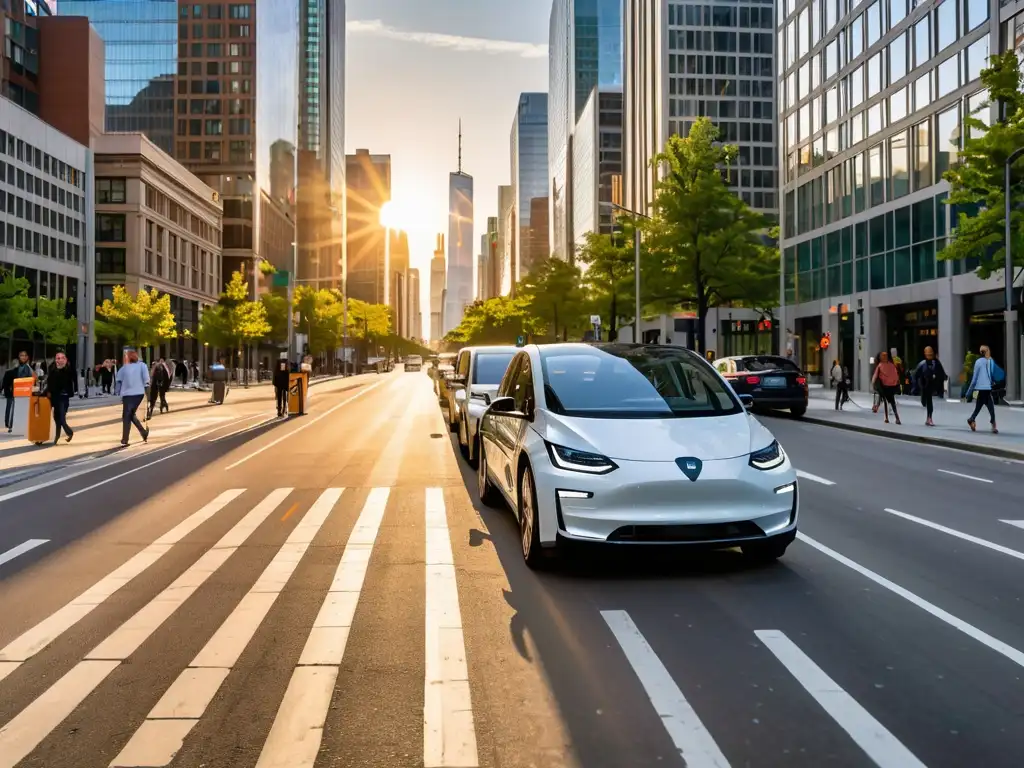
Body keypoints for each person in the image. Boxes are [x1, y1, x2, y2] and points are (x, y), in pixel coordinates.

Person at [116, 350, 150, 446]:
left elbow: (118, 380)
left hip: (127, 395)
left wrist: (117, 392)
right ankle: (143, 432)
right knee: (130, 414)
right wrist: (148, 392)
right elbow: (146, 380)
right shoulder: (142, 366)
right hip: (139, 393)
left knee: (126, 415)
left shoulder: (124, 368)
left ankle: (125, 439)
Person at [44, 350, 78, 444]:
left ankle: (69, 432)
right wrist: (46, 392)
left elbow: (73, 378)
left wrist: (64, 367)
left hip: (64, 397)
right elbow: (50, 382)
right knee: (56, 418)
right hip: (55, 396)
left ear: (65, 359)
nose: (60, 360)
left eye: (62, 358)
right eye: (58, 358)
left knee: (62, 418)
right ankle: (57, 437)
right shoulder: (52, 368)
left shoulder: (68, 369)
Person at [965, 345, 999, 434]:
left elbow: (974, 379)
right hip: (986, 389)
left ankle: (972, 419)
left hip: (980, 389)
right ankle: (993, 425)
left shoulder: (978, 362)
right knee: (989, 407)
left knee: (980, 406)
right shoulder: (990, 361)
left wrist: (969, 392)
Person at [913, 347, 947, 427]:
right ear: (925, 354)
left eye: (931, 353)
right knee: (924, 401)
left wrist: (940, 387)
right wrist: (915, 387)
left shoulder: (936, 363)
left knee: (929, 401)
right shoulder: (922, 364)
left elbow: (942, 374)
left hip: (931, 385)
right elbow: (915, 375)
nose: (930, 355)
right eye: (928, 353)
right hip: (924, 385)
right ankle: (928, 416)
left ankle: (929, 418)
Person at [871, 351, 902, 425]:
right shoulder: (882, 365)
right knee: (889, 401)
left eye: (885, 355)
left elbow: (875, 377)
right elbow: (875, 376)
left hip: (888, 387)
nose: (884, 357)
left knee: (890, 402)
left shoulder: (887, 365)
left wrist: (873, 384)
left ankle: (892, 418)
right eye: (883, 356)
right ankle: (892, 418)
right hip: (885, 387)